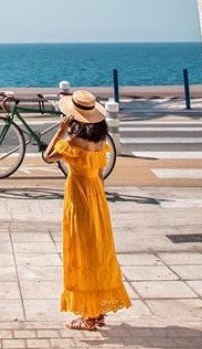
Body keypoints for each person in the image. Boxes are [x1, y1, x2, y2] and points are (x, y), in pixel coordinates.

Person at [44, 89, 131, 330]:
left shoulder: (71, 142)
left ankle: (89, 317)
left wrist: (60, 130)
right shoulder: (101, 143)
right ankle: (99, 312)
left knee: (81, 252)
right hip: (97, 200)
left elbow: (47, 156)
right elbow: (101, 175)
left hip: (79, 200)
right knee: (99, 252)